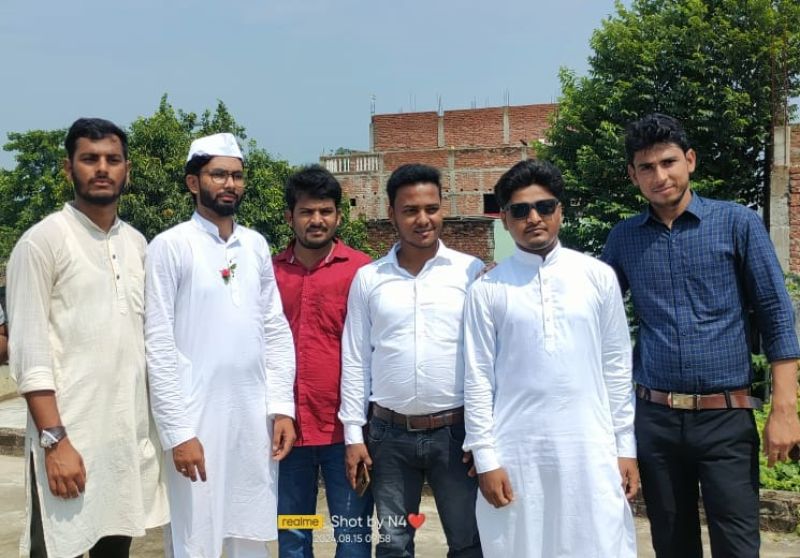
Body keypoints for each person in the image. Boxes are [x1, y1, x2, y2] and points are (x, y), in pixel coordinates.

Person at [602, 113, 800, 557]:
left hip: (725, 419)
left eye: (668, 162)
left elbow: (776, 316)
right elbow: (593, 316)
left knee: (738, 546)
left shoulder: (736, 223)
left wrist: (785, 410)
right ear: (633, 175)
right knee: (672, 545)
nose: (660, 176)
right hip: (655, 421)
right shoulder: (624, 238)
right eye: (647, 167)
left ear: (689, 160)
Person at [6, 117, 168, 558]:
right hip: (67, 444)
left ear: (126, 170)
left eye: (112, 159)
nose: (102, 168)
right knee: (56, 547)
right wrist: (55, 442)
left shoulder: (138, 245)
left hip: (122, 446)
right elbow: (29, 355)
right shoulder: (42, 243)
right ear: (68, 168)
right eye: (89, 159)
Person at [462, 159, 637, 557]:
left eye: (544, 206)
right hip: (517, 452)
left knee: (596, 542)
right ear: (504, 218)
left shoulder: (597, 276)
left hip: (590, 448)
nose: (534, 218)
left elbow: (616, 367)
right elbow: (477, 378)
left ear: (560, 210)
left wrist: (625, 447)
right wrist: (485, 458)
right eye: (520, 210)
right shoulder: (487, 289)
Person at [145, 132, 296, 558]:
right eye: (218, 175)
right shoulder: (170, 246)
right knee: (196, 535)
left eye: (237, 176)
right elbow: (158, 343)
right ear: (194, 183)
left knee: (250, 529)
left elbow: (274, 328)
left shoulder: (255, 244)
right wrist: (178, 433)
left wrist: (282, 407)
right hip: (197, 417)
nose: (230, 184)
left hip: (252, 418)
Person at [339, 163, 484, 557]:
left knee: (468, 543)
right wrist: (354, 436)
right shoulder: (370, 278)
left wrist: (482, 436)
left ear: (443, 208)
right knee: (393, 545)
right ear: (392, 214)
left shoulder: (470, 272)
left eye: (431, 209)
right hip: (388, 436)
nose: (423, 220)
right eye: (410, 210)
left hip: (456, 435)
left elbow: (484, 359)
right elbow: (355, 358)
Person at [273, 165, 374, 558]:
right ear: (290, 216)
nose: (316, 220)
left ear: (338, 216)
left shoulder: (363, 271)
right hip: (288, 433)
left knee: (351, 536)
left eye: (325, 211)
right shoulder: (270, 273)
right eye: (306, 211)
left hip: (345, 433)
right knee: (295, 534)